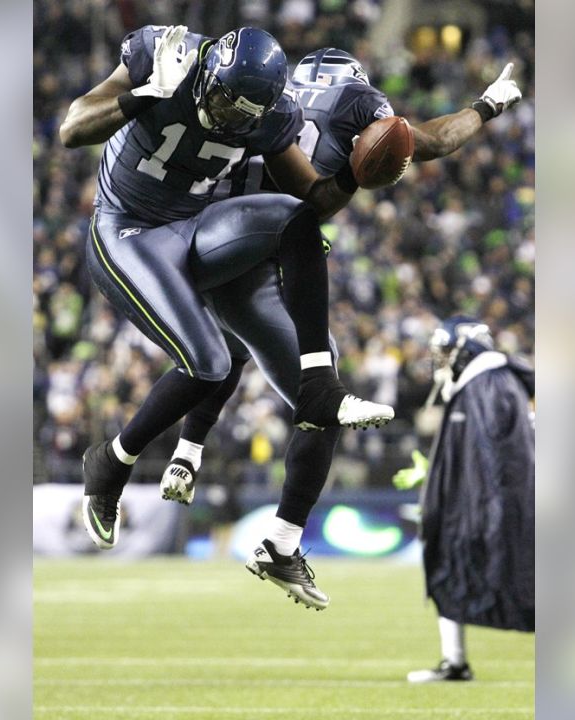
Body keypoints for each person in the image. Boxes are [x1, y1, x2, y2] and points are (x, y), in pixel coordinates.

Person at [148, 47, 523, 604]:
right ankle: (281, 540)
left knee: (231, 341)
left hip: (203, 237)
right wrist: (488, 104)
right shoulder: (356, 98)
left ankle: (188, 451)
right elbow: (433, 142)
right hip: (274, 242)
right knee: (320, 393)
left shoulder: (270, 97)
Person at [59, 26, 394, 564]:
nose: (230, 118)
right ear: (208, 71)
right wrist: (144, 94)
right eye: (222, 101)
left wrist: (356, 177)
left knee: (297, 220)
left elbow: (312, 193)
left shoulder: (269, 113)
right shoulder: (164, 54)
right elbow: (72, 129)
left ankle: (317, 384)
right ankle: (113, 461)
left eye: (245, 114)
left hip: (194, 227)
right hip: (127, 227)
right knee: (208, 362)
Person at [392, 316, 535, 682]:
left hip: (492, 510)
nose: (439, 360)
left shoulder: (489, 384)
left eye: (444, 351)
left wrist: (482, 508)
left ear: (465, 348)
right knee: (448, 570)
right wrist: (438, 474)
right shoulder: (479, 384)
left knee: (524, 584)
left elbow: (498, 458)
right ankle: (454, 661)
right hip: (477, 506)